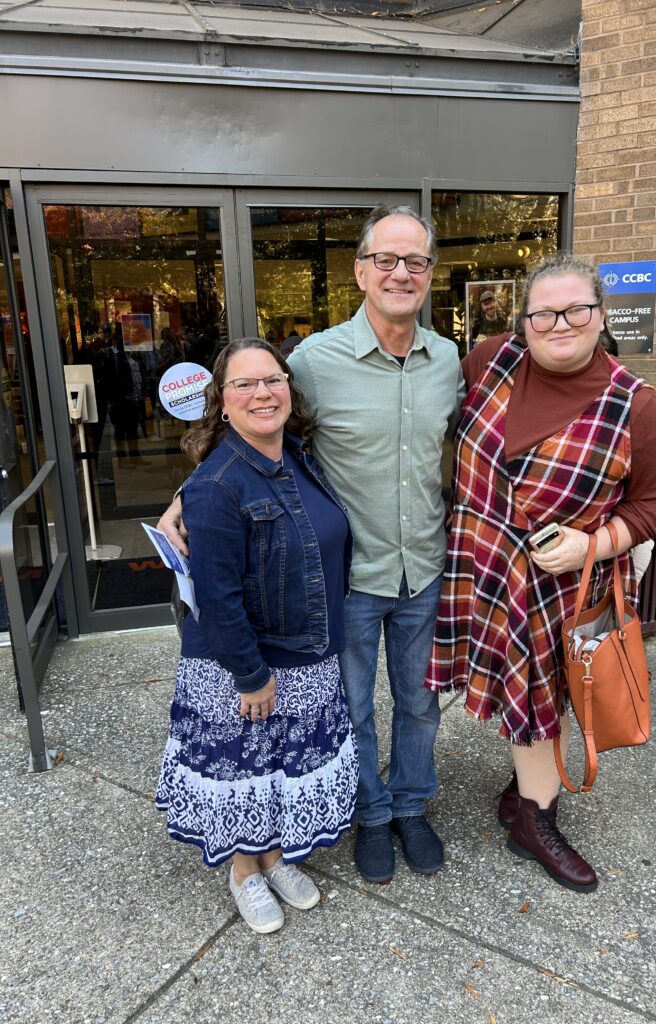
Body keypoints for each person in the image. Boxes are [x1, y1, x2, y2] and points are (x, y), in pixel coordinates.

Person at [159, 205, 465, 885]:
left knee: (419, 703)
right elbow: (256, 424)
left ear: (429, 274)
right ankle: (371, 814)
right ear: (360, 271)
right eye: (385, 259)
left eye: (414, 261)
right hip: (348, 581)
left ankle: (412, 805)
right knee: (350, 710)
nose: (399, 272)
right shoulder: (314, 362)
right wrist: (192, 490)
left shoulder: (448, 360)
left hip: (426, 571)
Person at [426, 252, 656, 893]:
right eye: (544, 312)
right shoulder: (489, 362)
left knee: (543, 696)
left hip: (557, 585)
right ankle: (525, 794)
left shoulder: (635, 406)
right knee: (528, 698)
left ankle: (533, 820)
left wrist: (594, 542)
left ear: (599, 315)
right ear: (525, 319)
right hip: (479, 567)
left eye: (576, 309)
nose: (560, 322)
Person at [155, 337, 358, 935]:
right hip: (246, 660)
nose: (262, 393)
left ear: (290, 390)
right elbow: (217, 597)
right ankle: (244, 868)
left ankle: (274, 855)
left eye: (272, 379)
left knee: (281, 764)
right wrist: (250, 673)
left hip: (307, 646)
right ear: (221, 401)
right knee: (242, 768)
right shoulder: (215, 486)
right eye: (243, 384)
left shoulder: (296, 453)